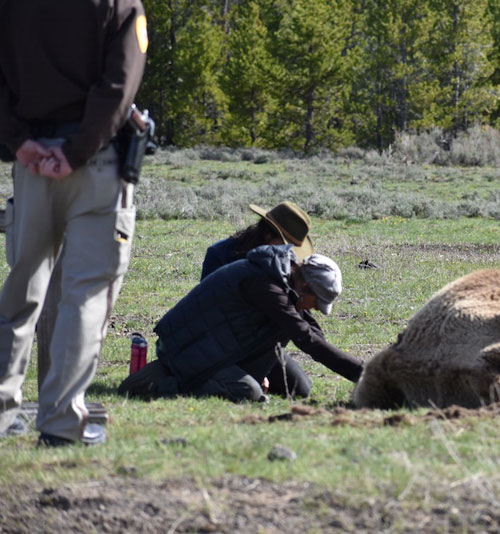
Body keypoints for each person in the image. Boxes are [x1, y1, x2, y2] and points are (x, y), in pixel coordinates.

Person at [0, 0, 148, 446]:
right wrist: (78, 150)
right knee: (85, 294)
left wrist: (19, 141)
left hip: (30, 166)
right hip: (97, 167)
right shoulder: (120, 5)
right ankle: (62, 423)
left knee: (20, 291)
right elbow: (120, 84)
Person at [118, 246, 363, 402]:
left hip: (225, 346)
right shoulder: (266, 285)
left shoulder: (284, 280)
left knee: (298, 388)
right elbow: (306, 339)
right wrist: (368, 374)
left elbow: (311, 333)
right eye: (316, 302)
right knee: (248, 393)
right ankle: (156, 383)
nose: (315, 309)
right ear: (306, 286)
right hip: (192, 348)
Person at [201, 201, 315, 398]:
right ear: (268, 235)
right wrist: (254, 370)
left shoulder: (284, 264)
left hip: (261, 346)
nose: (290, 254)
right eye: (287, 245)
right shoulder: (220, 255)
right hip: (222, 345)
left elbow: (296, 319)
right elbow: (211, 318)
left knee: (300, 388)